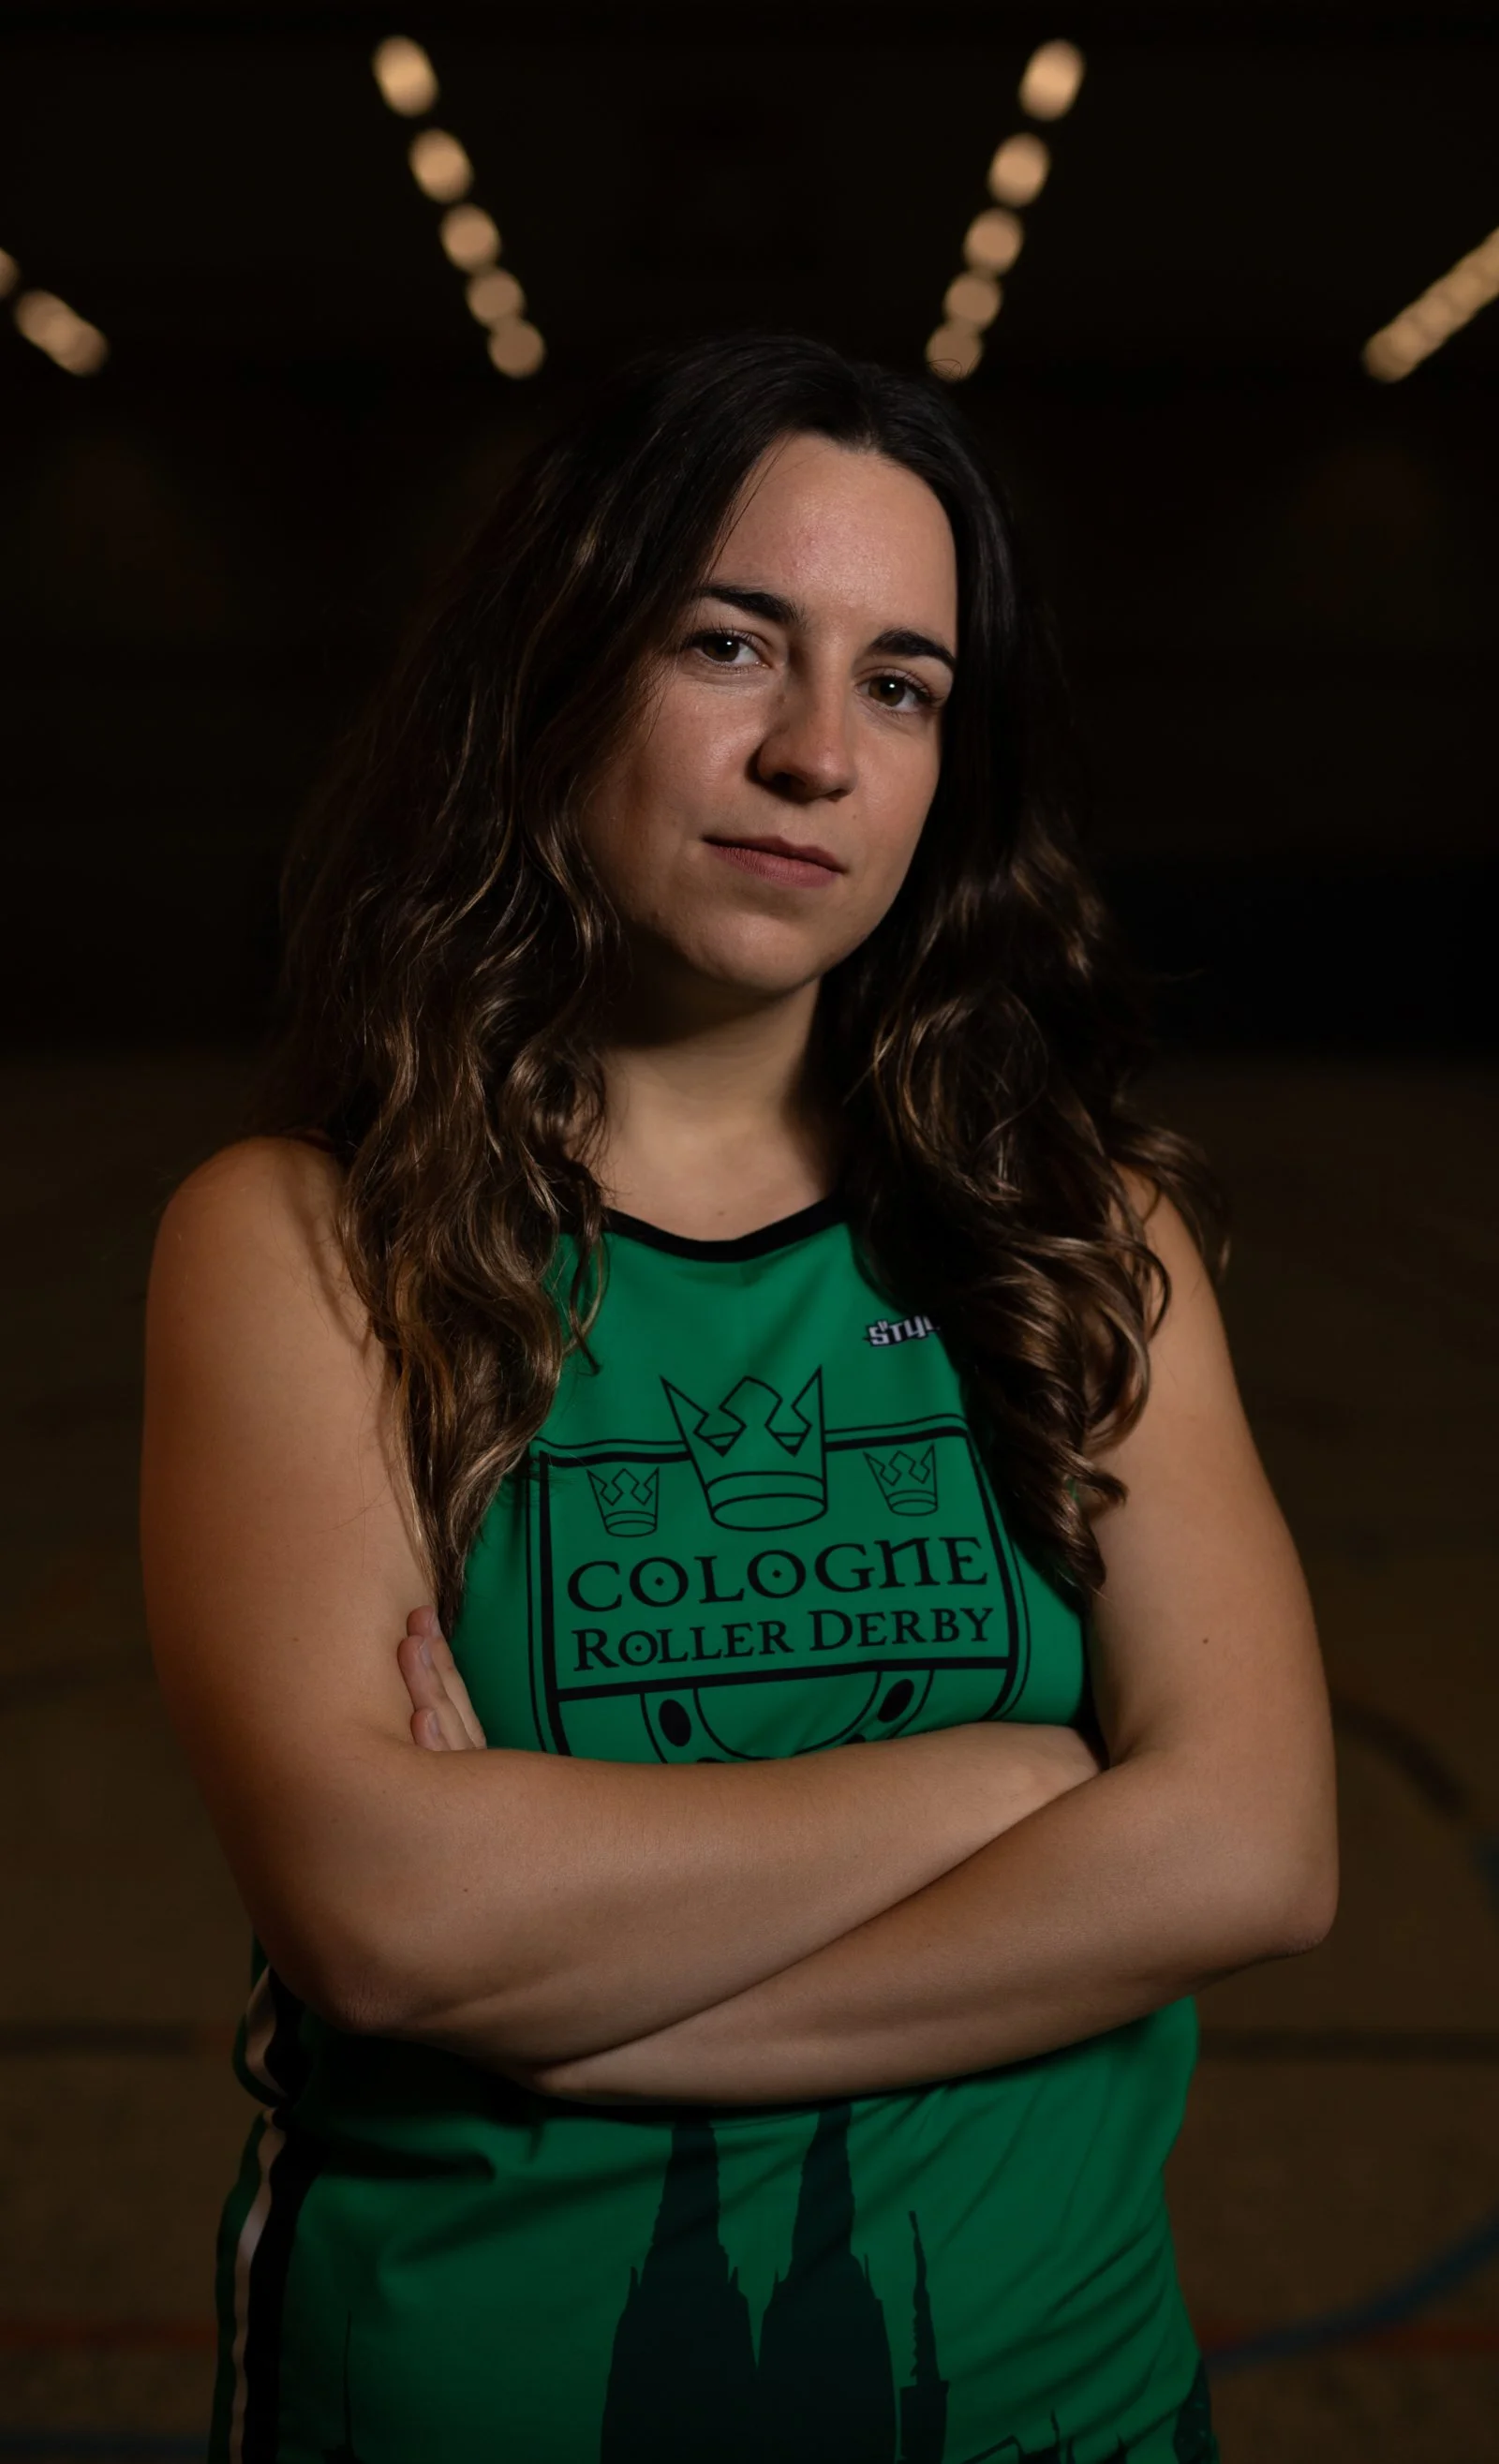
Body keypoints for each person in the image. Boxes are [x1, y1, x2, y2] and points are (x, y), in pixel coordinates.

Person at [141, 332, 1337, 2464]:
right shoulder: (301, 1246)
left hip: (1055, 2422)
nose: (815, 752)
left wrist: (596, 2026)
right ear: (554, 669)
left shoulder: (1073, 1233)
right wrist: (1011, 1782)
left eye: (900, 684)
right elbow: (385, 1915)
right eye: (729, 642)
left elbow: (1248, 1850)